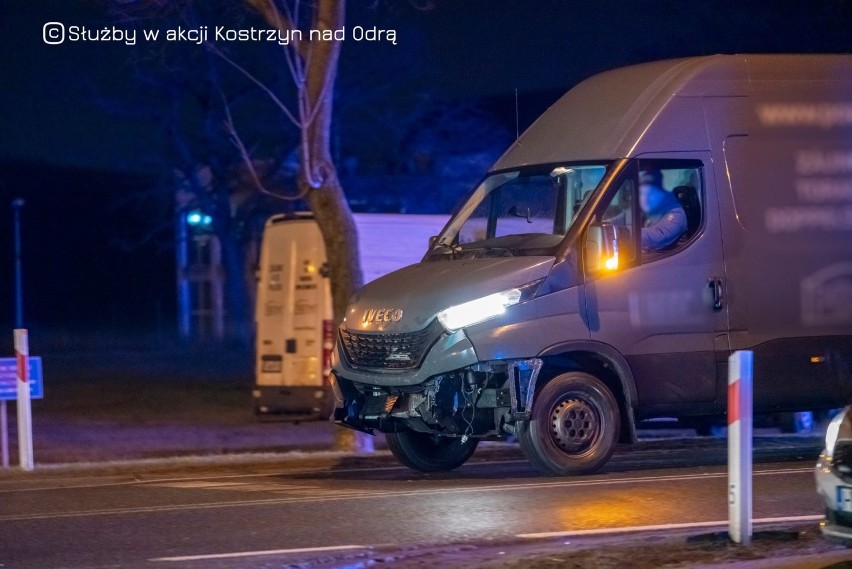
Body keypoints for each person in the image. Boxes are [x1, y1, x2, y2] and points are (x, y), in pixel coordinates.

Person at [638, 169, 687, 252]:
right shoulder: (649, 208)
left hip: (666, 259)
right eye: (642, 193)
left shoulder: (676, 213)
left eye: (650, 193)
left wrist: (626, 233)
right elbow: (625, 217)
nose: (645, 198)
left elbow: (658, 236)